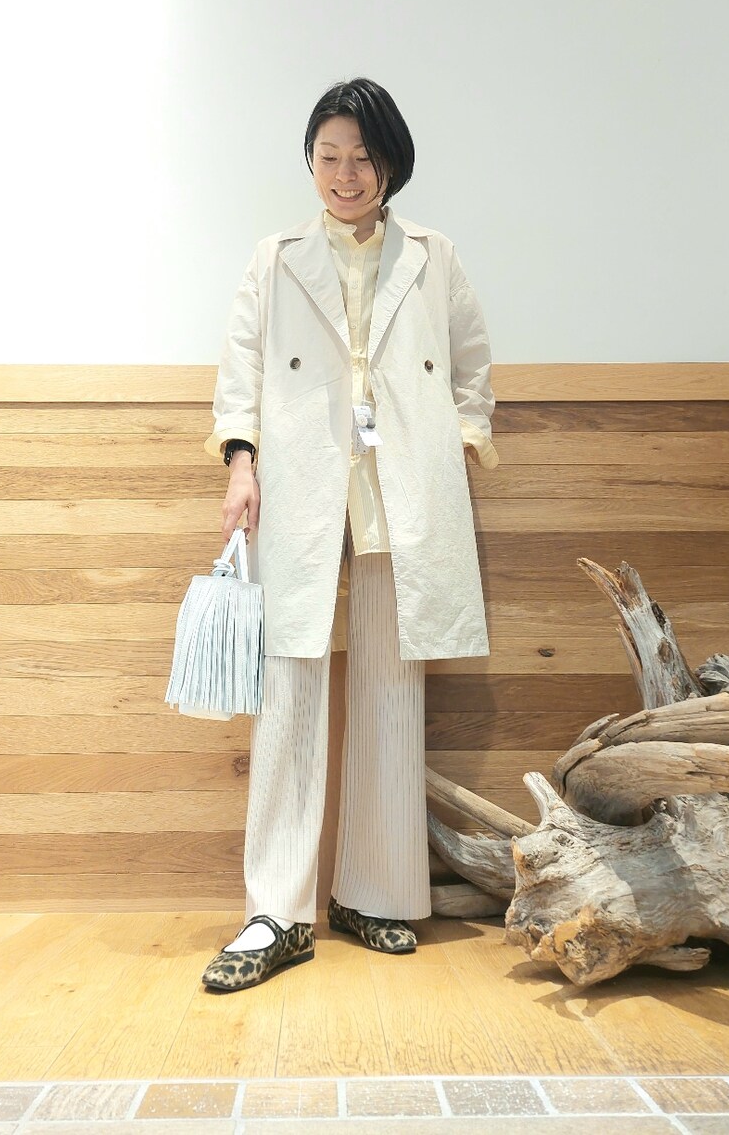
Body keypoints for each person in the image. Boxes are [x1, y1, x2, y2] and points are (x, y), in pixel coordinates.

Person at [199, 77, 499, 992]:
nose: (343, 173)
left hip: (397, 485)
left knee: (390, 684)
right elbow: (242, 366)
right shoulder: (276, 257)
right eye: (327, 156)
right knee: (290, 680)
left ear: (390, 163)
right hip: (301, 479)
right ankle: (276, 912)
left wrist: (459, 440)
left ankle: (374, 892)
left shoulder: (434, 256)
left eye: (361, 157)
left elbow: (472, 360)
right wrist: (242, 463)